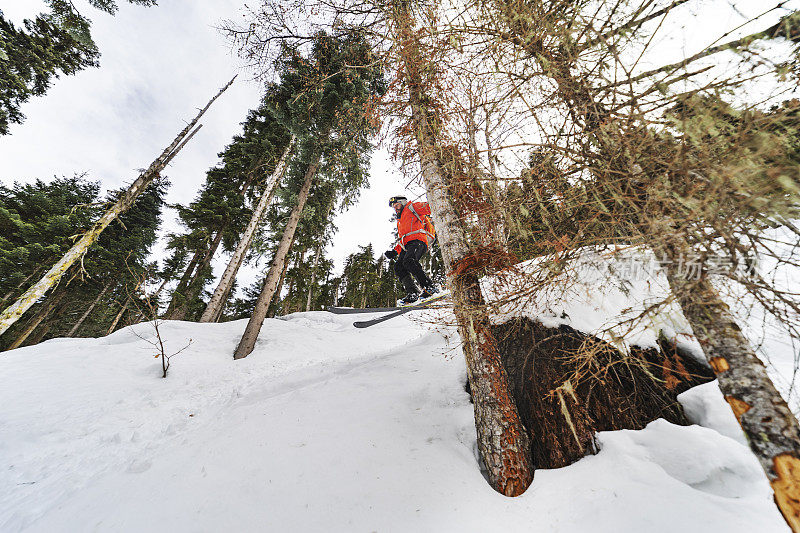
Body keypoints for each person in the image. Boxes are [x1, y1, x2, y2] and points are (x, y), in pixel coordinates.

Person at [384, 195, 439, 304]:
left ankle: (429, 287)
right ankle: (413, 293)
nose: (396, 208)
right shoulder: (399, 221)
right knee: (399, 267)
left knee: (409, 261)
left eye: (397, 205)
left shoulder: (412, 207)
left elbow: (431, 207)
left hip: (419, 241)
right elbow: (403, 239)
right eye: (394, 207)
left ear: (403, 202)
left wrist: (436, 198)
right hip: (407, 244)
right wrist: (395, 251)